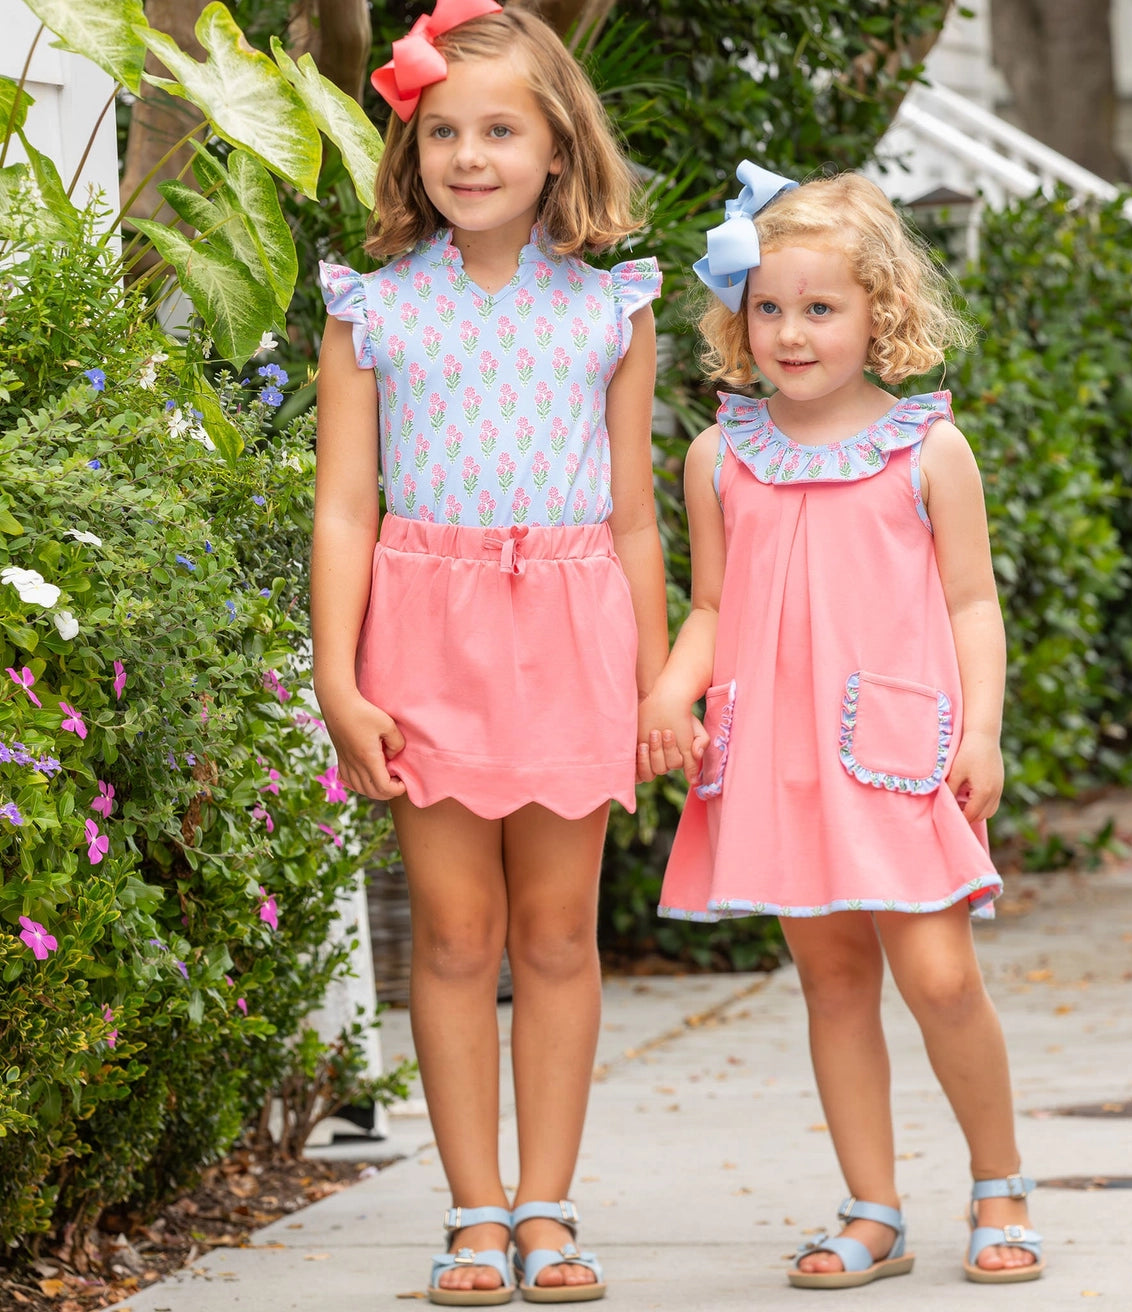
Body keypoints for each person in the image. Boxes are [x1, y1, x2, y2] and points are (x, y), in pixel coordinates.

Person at [311, 3, 665, 1302]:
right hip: (424, 635)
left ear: (558, 148)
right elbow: (346, 507)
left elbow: (632, 513)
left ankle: (549, 1211)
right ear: (411, 153)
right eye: (443, 131)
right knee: (458, 934)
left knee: (560, 931)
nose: (470, 155)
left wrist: (656, 681)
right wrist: (338, 679)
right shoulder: (370, 312)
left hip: (574, 629)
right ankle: (473, 1213)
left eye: (501, 129)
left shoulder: (613, 310)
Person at [640, 162, 1044, 1288]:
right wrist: (672, 689)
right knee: (830, 981)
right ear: (738, 317)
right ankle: (873, 1207)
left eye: (820, 308)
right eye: (767, 307)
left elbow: (972, 601)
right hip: (777, 758)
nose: (791, 332)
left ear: (881, 312)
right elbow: (712, 607)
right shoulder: (720, 456)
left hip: (899, 757)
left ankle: (998, 1180)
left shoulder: (926, 449)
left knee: (941, 976)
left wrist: (983, 733)